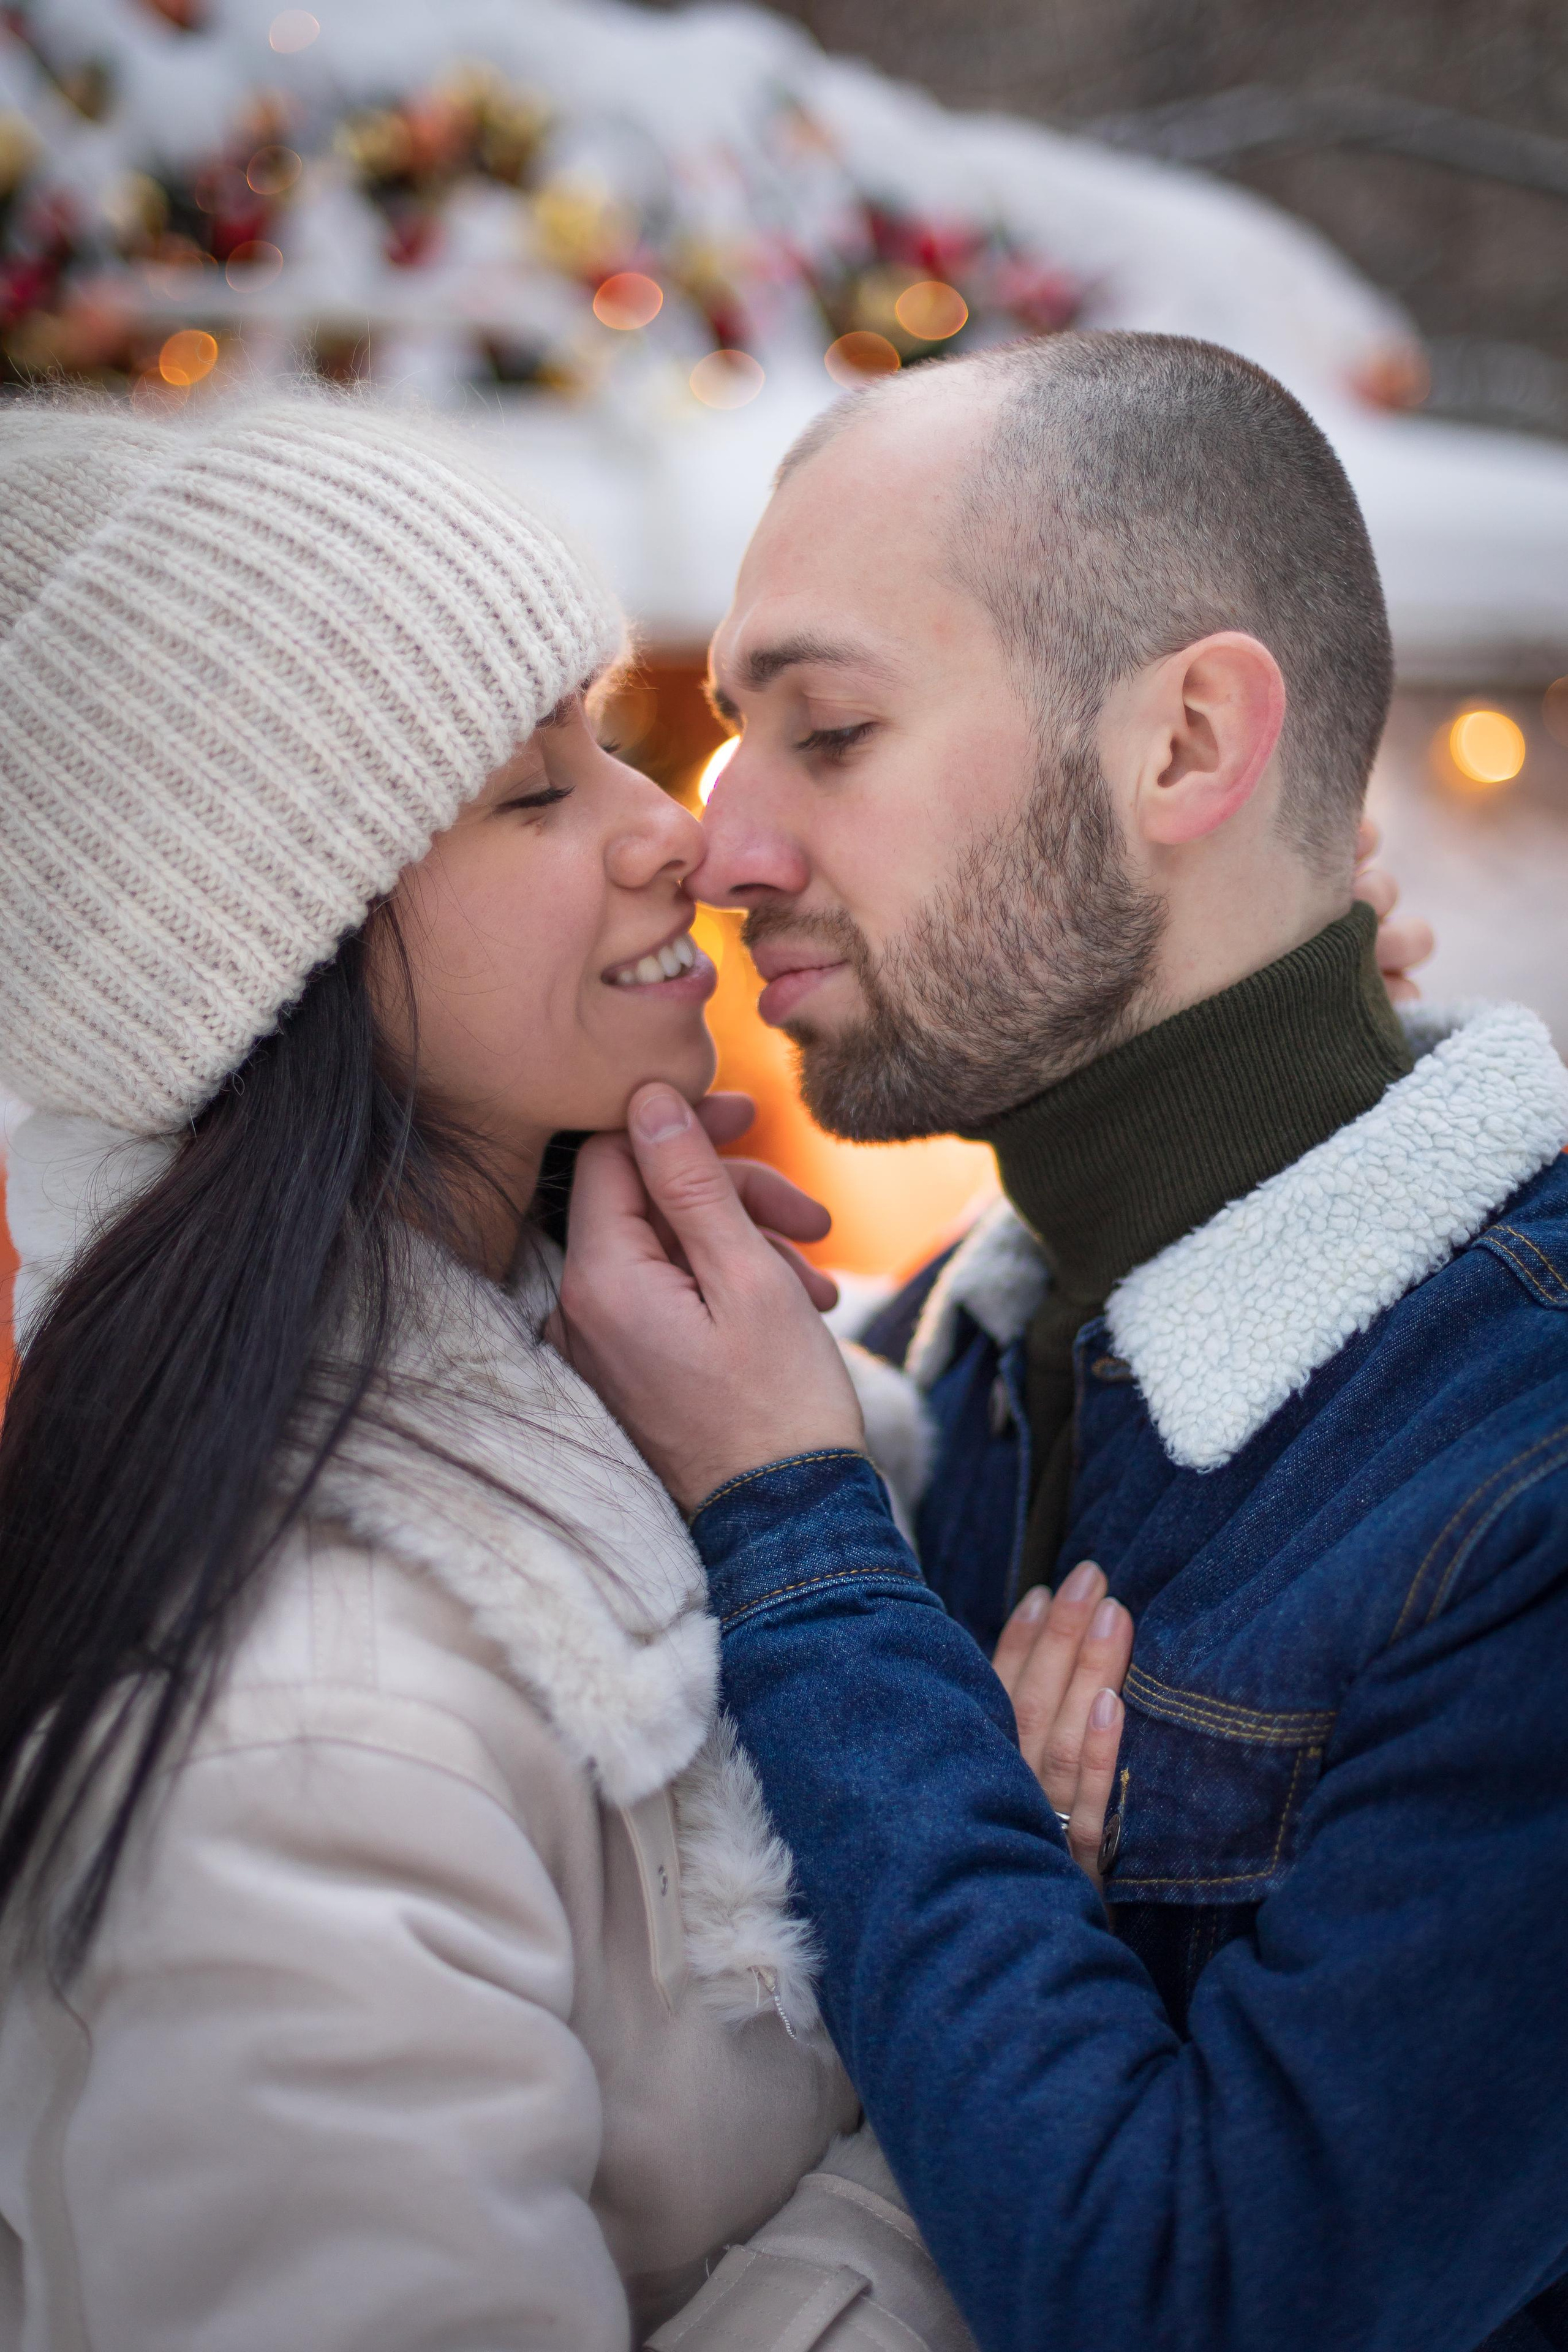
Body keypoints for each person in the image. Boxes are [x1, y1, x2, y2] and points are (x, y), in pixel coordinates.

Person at [558, 332, 1568, 2352]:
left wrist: (800, 1535)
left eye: (832, 732)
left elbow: (1200, 2299)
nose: (721, 848)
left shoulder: (1519, 1477)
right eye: (741, 737)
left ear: (1187, 747)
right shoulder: (957, 1353)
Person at [0, 390, 985, 2351]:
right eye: (538, 793)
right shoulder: (298, 1726)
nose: (675, 830)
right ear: (269, 954)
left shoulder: (584, 1375)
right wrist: (966, 2142)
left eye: (604, 740)